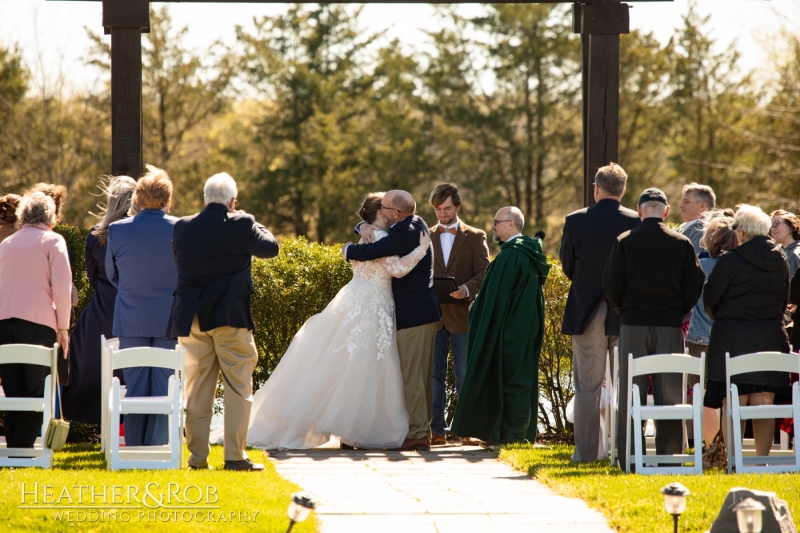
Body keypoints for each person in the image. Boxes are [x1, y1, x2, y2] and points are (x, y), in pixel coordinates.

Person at [236, 193, 431, 450]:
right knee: (367, 366)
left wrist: (357, 233)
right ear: (382, 213)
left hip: (355, 299)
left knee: (344, 363)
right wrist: (422, 249)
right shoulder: (382, 238)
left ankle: (345, 431)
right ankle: (355, 431)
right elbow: (397, 270)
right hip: (374, 304)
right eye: (384, 208)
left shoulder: (365, 235)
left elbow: (353, 251)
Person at [167, 172, 279, 471]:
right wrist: (252, 221)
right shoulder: (242, 223)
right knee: (239, 386)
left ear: (205, 199)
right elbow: (271, 248)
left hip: (191, 319)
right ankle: (234, 456)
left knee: (198, 388)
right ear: (233, 201)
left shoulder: (182, 226)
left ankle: (197, 459)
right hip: (230, 316)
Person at [602, 188, 704, 470]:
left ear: (639, 210)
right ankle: (668, 459)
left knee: (630, 392)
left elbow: (610, 285)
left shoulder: (624, 241)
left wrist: (626, 309)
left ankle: (629, 457)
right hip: (669, 326)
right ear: (666, 211)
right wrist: (677, 308)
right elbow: (695, 283)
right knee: (670, 394)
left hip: (632, 324)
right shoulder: (681, 242)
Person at [343, 190, 441, 451]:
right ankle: (421, 428)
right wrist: (362, 225)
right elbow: (374, 235)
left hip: (414, 315)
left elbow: (377, 251)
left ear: (395, 214)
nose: (382, 211)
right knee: (417, 374)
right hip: (421, 313)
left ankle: (419, 433)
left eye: (385, 208)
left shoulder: (402, 233)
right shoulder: (415, 222)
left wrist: (347, 250)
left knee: (412, 376)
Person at [560, 162, 640, 463]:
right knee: (626, 385)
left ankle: (586, 453)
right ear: (623, 190)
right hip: (626, 313)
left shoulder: (576, 220)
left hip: (587, 311)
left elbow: (568, 265)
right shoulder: (636, 220)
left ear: (596, 188)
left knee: (587, 387)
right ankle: (625, 452)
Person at [450, 207, 551, 444]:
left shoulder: (512, 255)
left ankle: (512, 435)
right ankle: (514, 433)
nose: (493, 226)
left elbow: (494, 299)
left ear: (512, 224)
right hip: (524, 329)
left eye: (497, 222)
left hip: (510, 332)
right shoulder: (527, 251)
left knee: (512, 381)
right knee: (519, 379)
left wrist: (475, 308)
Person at [703, 204, 791, 457]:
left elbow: (710, 301)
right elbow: (783, 300)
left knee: (734, 402)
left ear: (741, 231)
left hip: (730, 339)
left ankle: (734, 460)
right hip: (770, 338)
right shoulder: (781, 259)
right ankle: (761, 460)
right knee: (764, 402)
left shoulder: (730, 260)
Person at [105, 167, 179, 446]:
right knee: (163, 384)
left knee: (135, 385)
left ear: (138, 198)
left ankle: (134, 445)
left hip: (131, 317)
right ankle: (158, 445)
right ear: (166, 200)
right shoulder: (179, 228)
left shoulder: (118, 229)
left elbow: (113, 275)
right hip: (167, 318)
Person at [61, 176, 137, 424]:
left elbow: (93, 278)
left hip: (100, 314)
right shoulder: (135, 234)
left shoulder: (95, 236)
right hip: (130, 312)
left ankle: (92, 423)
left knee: (82, 361)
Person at [0, 192, 72, 448]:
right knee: (35, 390)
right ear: (50, 217)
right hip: (38, 324)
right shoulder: (53, 241)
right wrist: (63, 328)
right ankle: (25, 449)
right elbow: (61, 289)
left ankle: (15, 447)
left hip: (4, 325)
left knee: (13, 390)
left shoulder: (6, 245)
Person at [427, 183, 490, 446]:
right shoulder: (426, 236)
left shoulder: (475, 236)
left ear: (458, 206)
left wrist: (466, 289)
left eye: (447, 209)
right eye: (439, 210)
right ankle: (436, 431)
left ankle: (467, 429)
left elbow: (484, 272)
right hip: (434, 317)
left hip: (463, 316)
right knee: (434, 376)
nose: (442, 214)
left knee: (465, 374)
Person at [685, 212, 738, 448]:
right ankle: (730, 447)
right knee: (732, 397)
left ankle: (711, 449)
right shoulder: (739, 268)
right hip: (733, 340)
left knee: (706, 397)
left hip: (699, 340)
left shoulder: (699, 266)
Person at [678, 183, 715, 254]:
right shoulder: (684, 228)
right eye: (682, 202)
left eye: (686, 202)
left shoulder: (702, 232)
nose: (681, 205)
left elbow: (694, 262)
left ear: (702, 206)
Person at [770, 210, 800, 276]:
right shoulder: (775, 253)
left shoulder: (794, 254)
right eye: (770, 226)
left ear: (791, 225)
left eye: (776, 223)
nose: (772, 229)